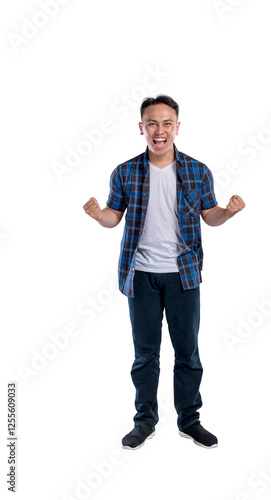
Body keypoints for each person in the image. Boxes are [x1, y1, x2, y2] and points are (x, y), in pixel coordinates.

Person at [83, 94, 245, 450]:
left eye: (166, 123)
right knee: (145, 354)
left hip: (183, 276)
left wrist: (228, 212)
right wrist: (98, 215)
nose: (160, 131)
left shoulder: (197, 171)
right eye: (152, 124)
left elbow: (210, 215)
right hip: (140, 275)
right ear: (142, 128)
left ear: (177, 127)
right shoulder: (125, 172)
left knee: (187, 353)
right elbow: (113, 217)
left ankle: (189, 420)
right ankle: (145, 421)